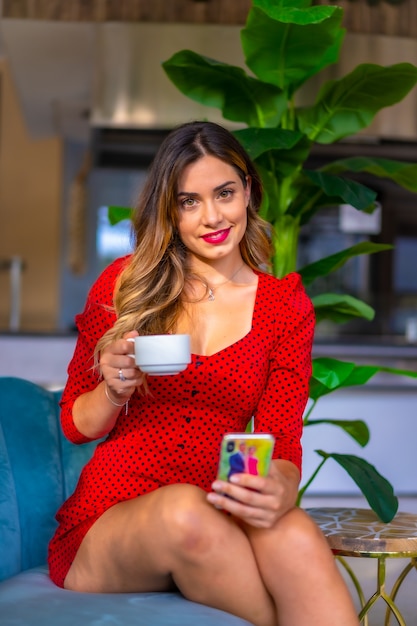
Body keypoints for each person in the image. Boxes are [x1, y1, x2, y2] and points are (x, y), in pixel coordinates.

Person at [48, 121, 359, 626]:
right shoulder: (126, 285)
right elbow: (75, 424)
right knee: (184, 512)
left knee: (295, 532)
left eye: (224, 193)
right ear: (169, 210)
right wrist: (113, 388)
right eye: (188, 201)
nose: (211, 216)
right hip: (111, 522)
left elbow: (283, 446)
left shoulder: (284, 307)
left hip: (220, 508)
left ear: (249, 191)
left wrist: (280, 485)